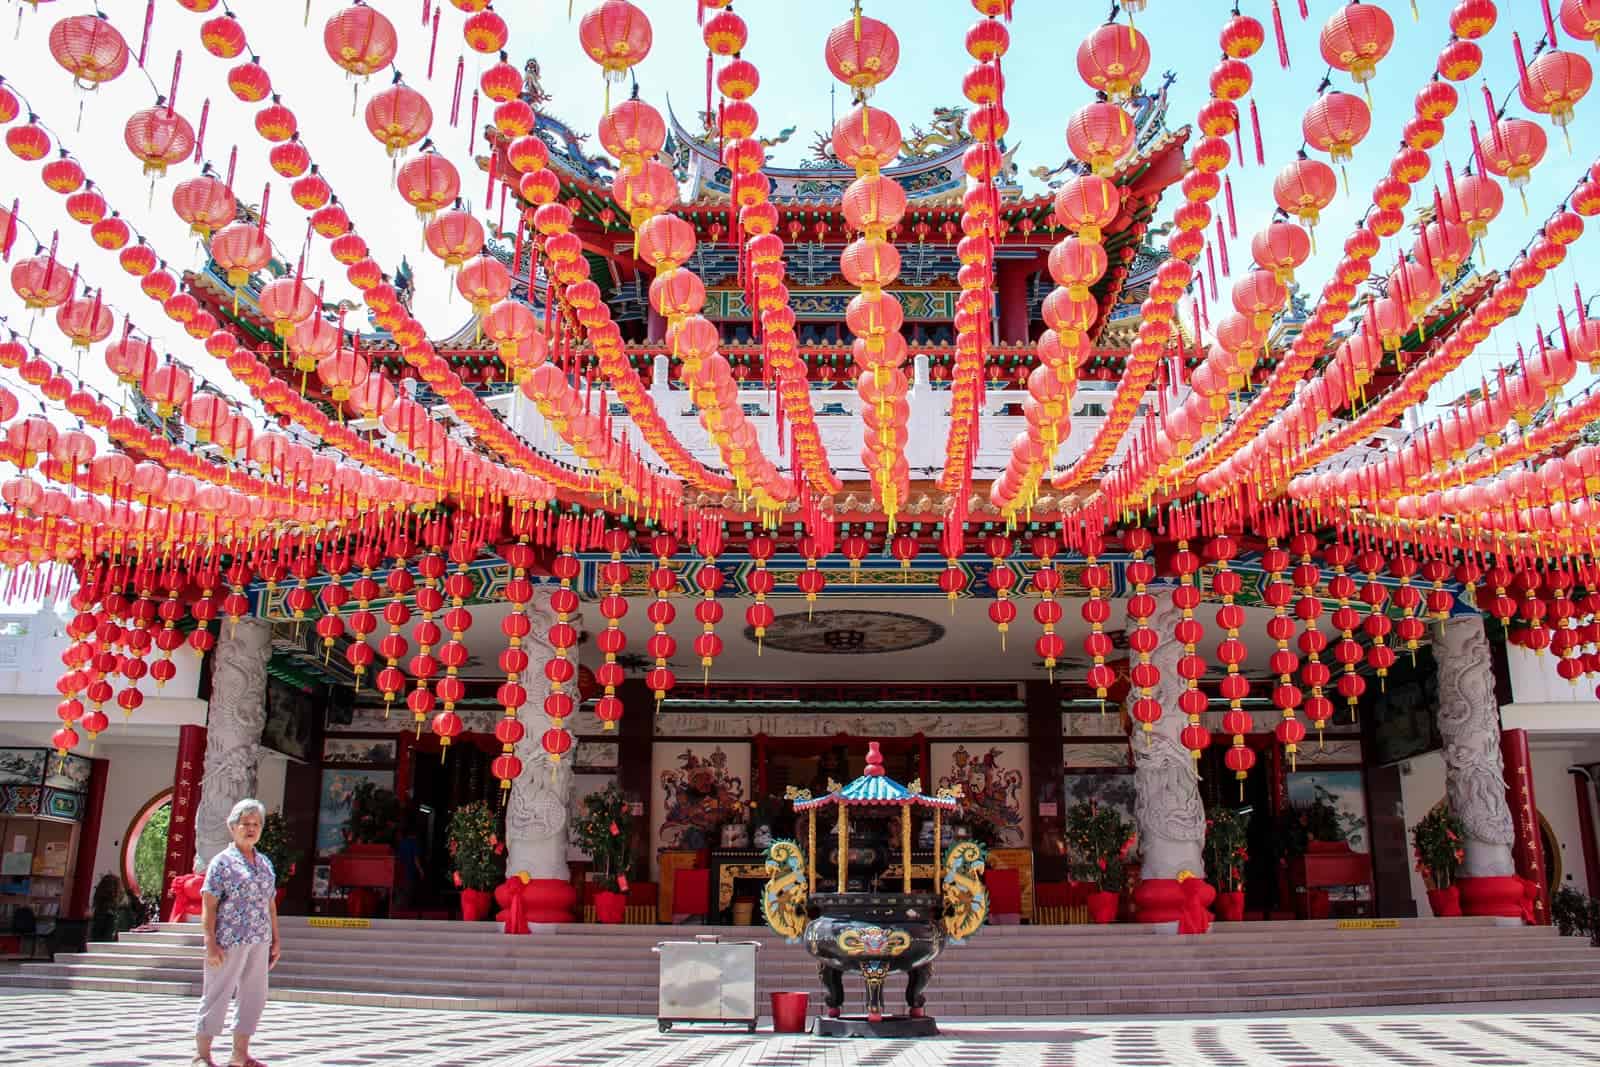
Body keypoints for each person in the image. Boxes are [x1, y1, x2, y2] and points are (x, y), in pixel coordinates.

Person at [193, 798, 279, 1067]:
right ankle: (202, 1054)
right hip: (228, 939)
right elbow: (209, 905)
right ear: (233, 827)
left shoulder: (264, 863)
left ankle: (239, 1054)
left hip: (259, 938)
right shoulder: (222, 862)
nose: (251, 828)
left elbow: (271, 904)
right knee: (218, 992)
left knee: (254, 995)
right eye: (245, 824)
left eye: (256, 824)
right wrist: (209, 943)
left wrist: (276, 939)